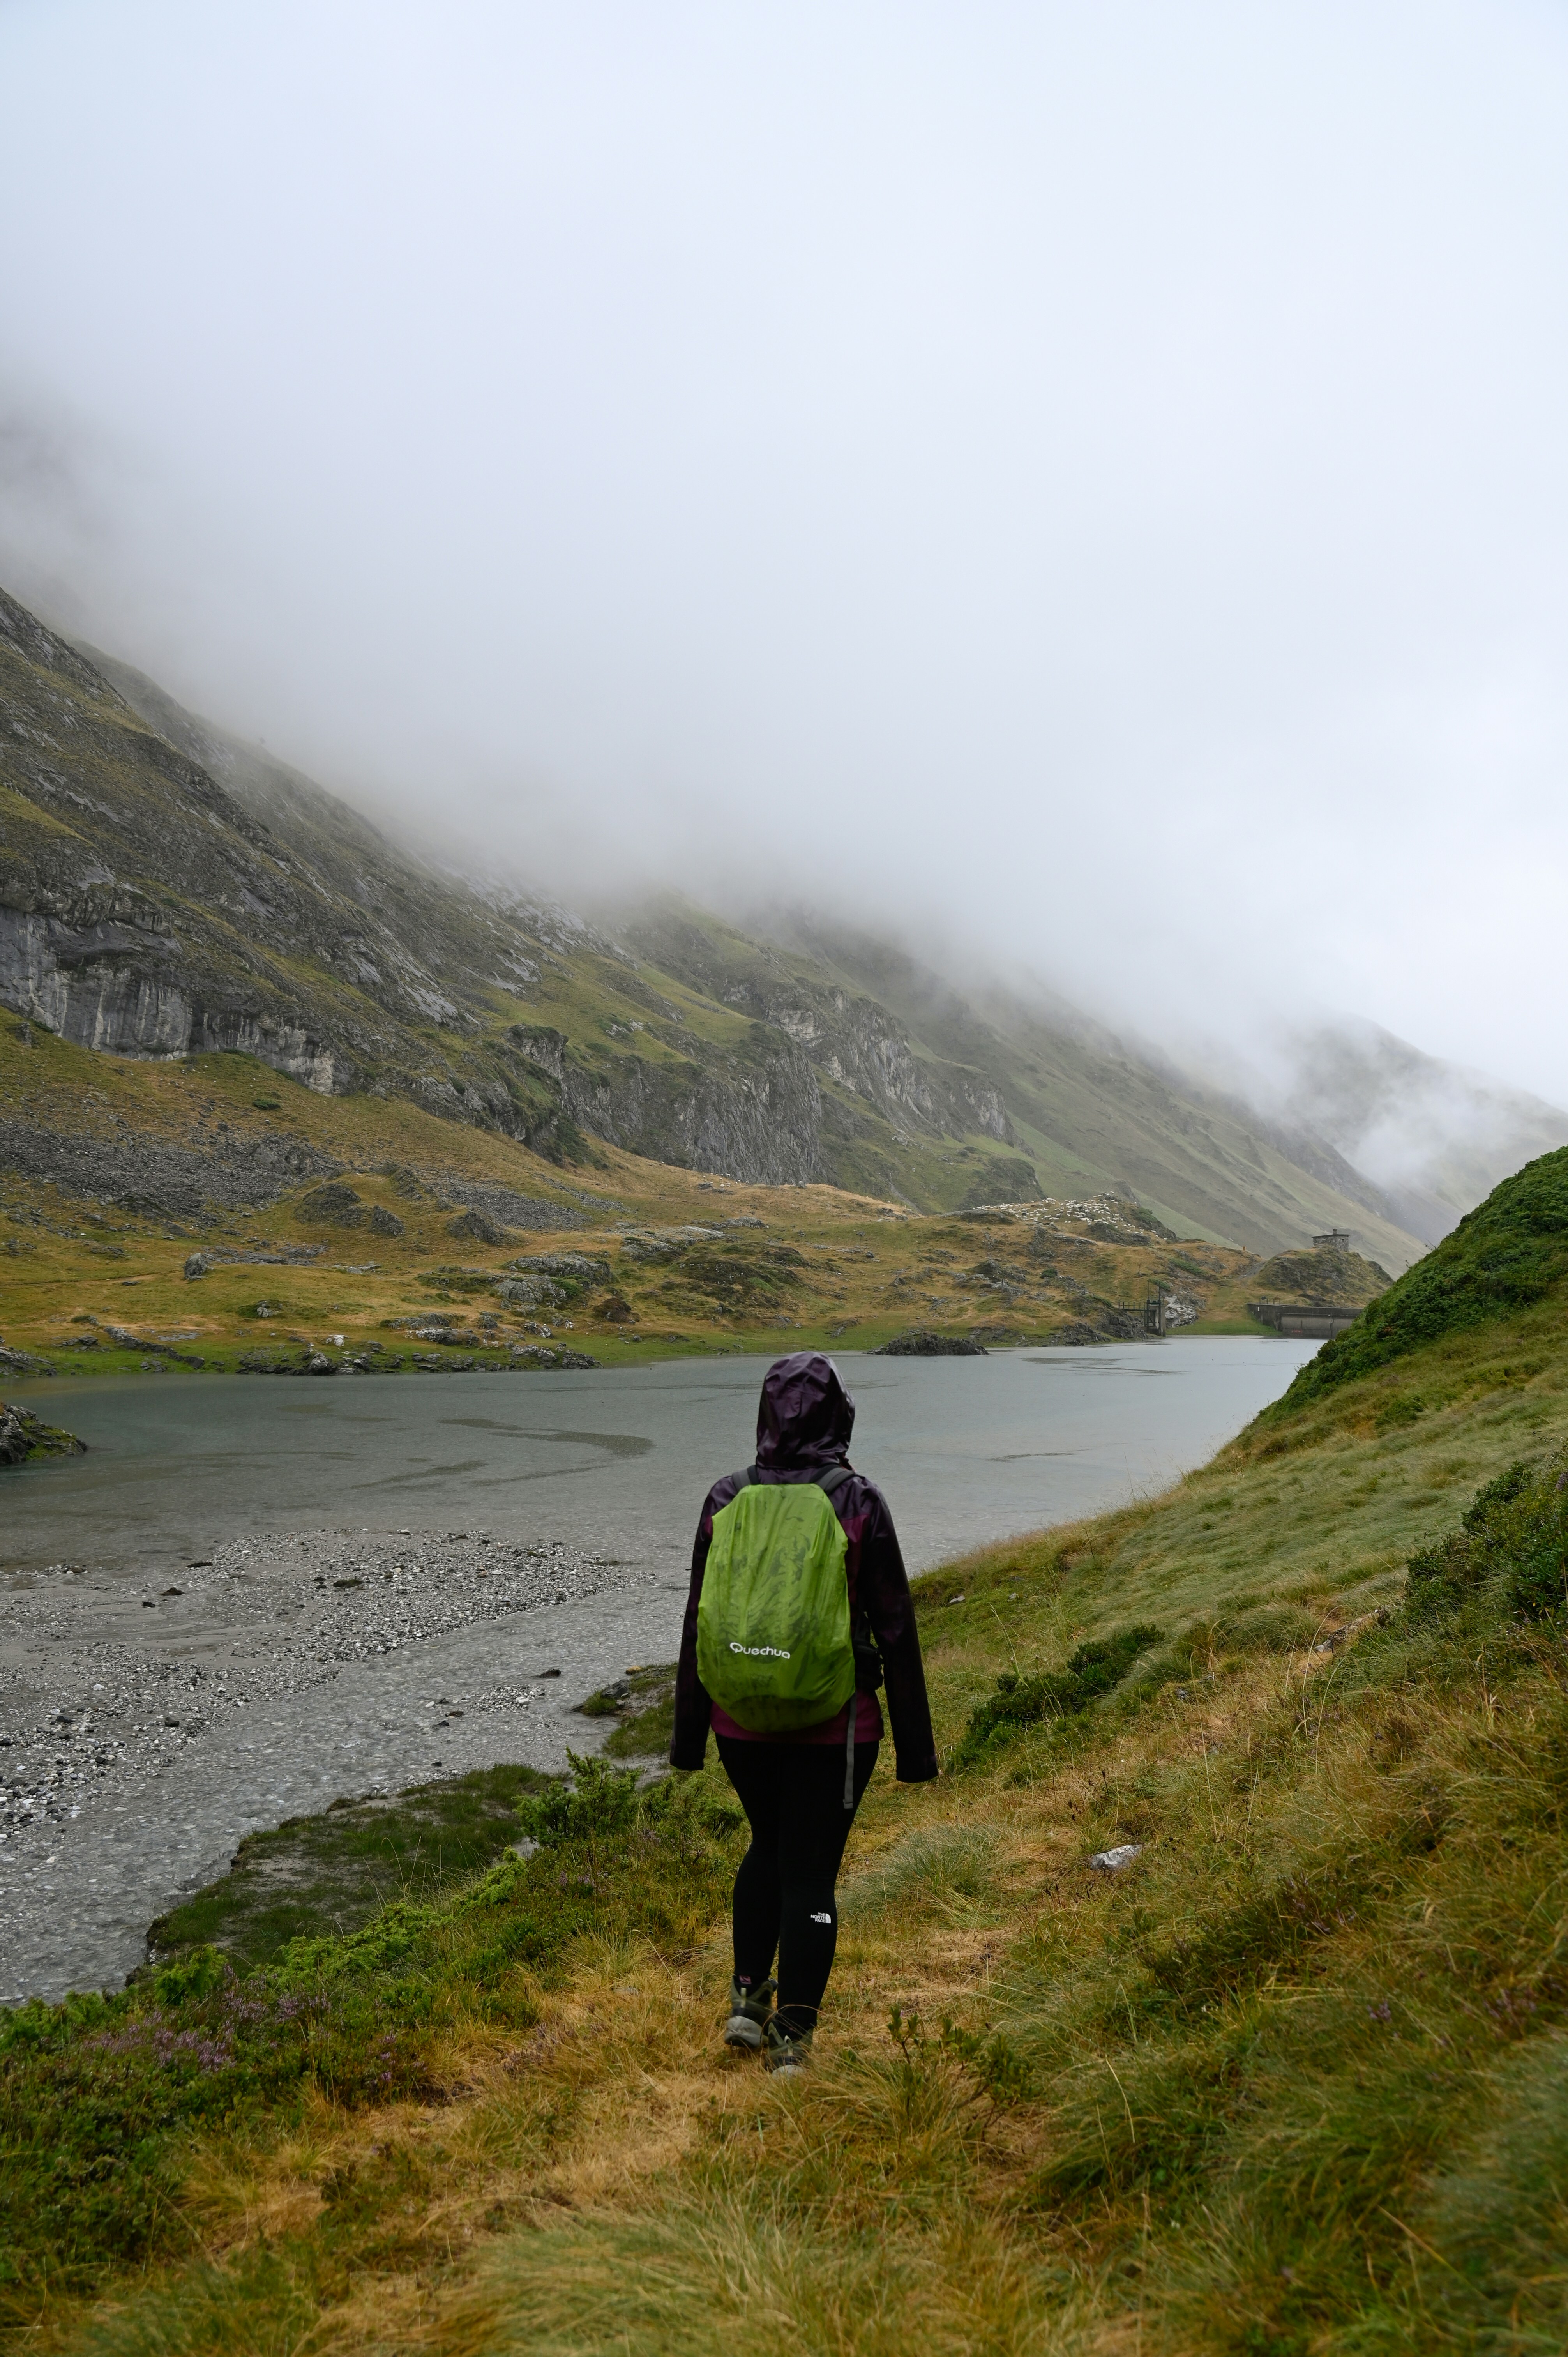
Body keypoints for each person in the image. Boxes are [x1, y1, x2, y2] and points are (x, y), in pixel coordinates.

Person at [670, 1350, 938, 2073]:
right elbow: (895, 1625)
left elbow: (698, 1620)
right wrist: (917, 1753)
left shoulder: (725, 1496)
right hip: (834, 1728)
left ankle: (746, 2003)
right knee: (811, 1873)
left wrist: (687, 1741)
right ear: (840, 1415)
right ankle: (791, 2039)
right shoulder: (856, 1501)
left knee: (767, 1845)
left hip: (739, 1721)